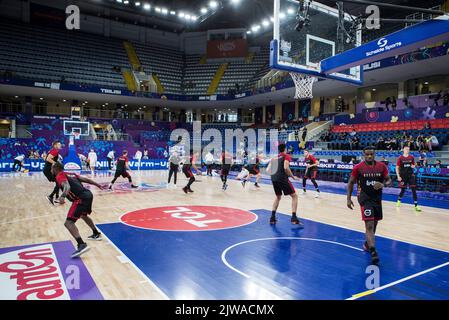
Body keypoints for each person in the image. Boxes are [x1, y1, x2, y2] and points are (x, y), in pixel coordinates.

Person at [347, 146, 392, 265]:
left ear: (374, 154)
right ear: (363, 155)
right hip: (364, 198)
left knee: (375, 223)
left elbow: (389, 180)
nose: (369, 156)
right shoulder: (358, 167)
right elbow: (351, 182)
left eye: (371, 154)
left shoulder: (382, 166)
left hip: (377, 199)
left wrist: (382, 184)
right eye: (367, 154)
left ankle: (367, 243)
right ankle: (373, 251)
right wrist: (348, 198)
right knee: (370, 224)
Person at [52, 162, 104, 258]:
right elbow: (85, 179)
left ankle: (81, 244)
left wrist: (62, 196)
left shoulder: (59, 175)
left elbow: (67, 186)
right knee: (83, 216)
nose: (51, 170)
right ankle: (96, 233)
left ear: (55, 169)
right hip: (88, 195)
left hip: (80, 199)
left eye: (52, 168)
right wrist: (97, 184)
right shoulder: (69, 173)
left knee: (68, 223)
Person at [267, 143, 302, 226]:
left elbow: (268, 170)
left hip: (274, 178)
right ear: (285, 149)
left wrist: (275, 175)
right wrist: (292, 176)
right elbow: (286, 167)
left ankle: (272, 217)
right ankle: (294, 217)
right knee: (294, 196)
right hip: (282, 178)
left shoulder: (274, 158)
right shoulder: (286, 156)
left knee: (278, 197)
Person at [396, 146, 421, 212]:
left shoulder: (411, 157)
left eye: (408, 149)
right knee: (403, 190)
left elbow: (413, 165)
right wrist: (398, 176)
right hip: (403, 176)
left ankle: (416, 206)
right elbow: (397, 168)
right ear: (403, 150)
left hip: (411, 175)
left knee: (413, 190)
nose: (407, 150)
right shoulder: (400, 158)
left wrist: (414, 166)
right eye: (406, 149)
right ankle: (399, 200)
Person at [44, 140, 63, 205]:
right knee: (59, 182)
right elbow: (48, 159)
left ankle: (57, 197)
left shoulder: (53, 151)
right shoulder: (55, 151)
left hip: (49, 169)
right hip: (48, 170)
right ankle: (51, 196)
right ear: (55, 145)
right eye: (59, 144)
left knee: (58, 182)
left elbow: (47, 159)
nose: (60, 145)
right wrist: (56, 163)